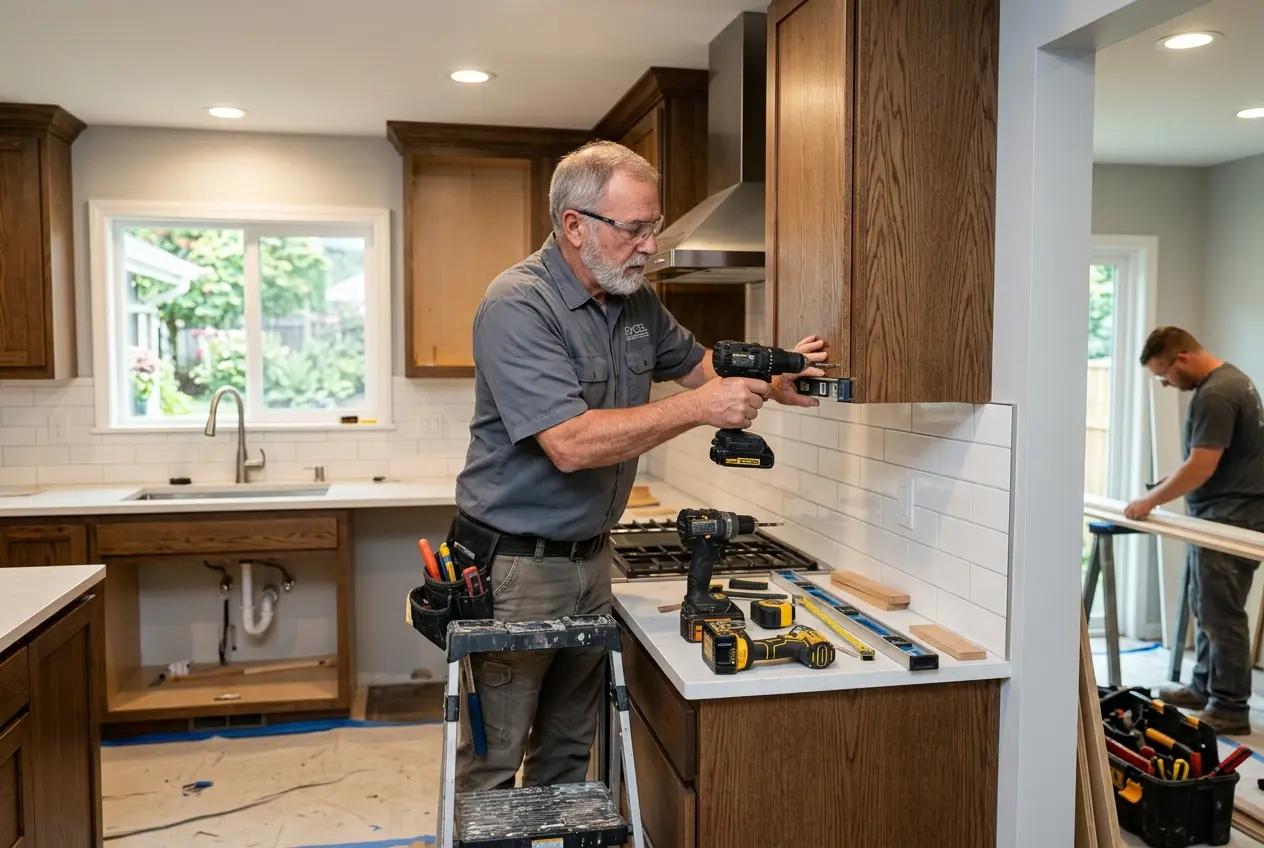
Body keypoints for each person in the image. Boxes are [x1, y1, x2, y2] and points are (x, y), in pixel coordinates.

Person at [447, 140, 827, 791]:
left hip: (588, 559)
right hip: (514, 570)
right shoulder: (518, 305)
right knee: (494, 759)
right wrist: (702, 409)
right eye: (636, 229)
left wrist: (770, 373)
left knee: (569, 751)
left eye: (653, 227)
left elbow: (695, 363)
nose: (651, 245)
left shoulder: (634, 301)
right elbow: (569, 442)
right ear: (575, 225)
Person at [1125, 326, 1264, 735]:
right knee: (1206, 605)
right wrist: (1174, 479)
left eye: (1163, 374)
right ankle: (1205, 686)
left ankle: (1229, 706)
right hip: (1221, 512)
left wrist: (1150, 501)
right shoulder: (1230, 383)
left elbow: (1202, 465)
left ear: (1181, 358)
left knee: (1222, 614)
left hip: (1231, 518)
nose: (1166, 384)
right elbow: (1220, 460)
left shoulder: (1218, 393)